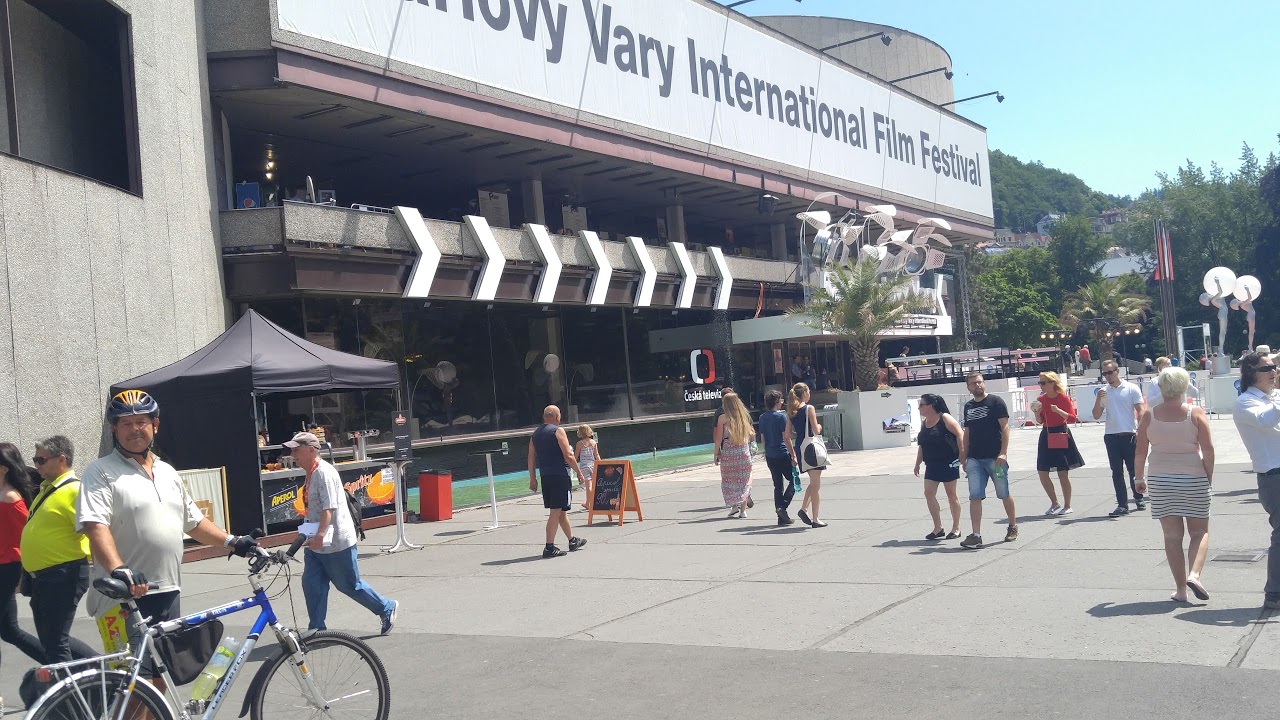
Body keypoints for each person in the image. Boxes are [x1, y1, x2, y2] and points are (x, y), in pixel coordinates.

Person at [78, 390, 259, 682]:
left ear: (155, 425)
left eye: (141, 422)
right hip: (122, 595)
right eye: (126, 423)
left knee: (162, 680)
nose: (134, 429)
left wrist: (232, 542)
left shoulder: (167, 472)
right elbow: (95, 525)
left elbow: (193, 522)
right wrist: (119, 569)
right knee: (132, 685)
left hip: (166, 590)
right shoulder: (100, 472)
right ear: (114, 429)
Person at [287, 432, 398, 635]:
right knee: (312, 585)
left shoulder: (324, 473)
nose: (293, 454)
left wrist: (320, 535)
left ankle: (386, 607)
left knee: (349, 585)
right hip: (317, 541)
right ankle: (317, 629)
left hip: (335, 542)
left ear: (311, 450)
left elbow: (329, 508)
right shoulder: (311, 472)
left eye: (296, 450)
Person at [1135, 367, 1215, 603]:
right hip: (1193, 477)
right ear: (1184, 386)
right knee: (1199, 532)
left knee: (1171, 536)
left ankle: (1180, 590)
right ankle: (1194, 575)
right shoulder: (1195, 413)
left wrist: (1139, 478)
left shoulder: (1149, 416)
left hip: (1161, 479)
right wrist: (1208, 476)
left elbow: (1140, 451)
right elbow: (1208, 450)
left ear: (1161, 387)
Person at [22, 436, 96, 666]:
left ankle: (71, 687)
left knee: (55, 642)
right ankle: (101, 670)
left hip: (64, 574)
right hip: (45, 577)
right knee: (51, 640)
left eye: (41, 460)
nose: (36, 465)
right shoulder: (48, 489)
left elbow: (96, 531)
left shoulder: (74, 490)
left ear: (61, 459)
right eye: (35, 460)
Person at [1232, 352, 1280, 609]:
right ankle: (1274, 594)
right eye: (1266, 368)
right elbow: (1266, 421)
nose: (1273, 371)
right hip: (1274, 476)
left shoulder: (1273, 397)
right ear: (1251, 373)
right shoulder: (1245, 402)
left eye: (1274, 367)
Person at [959, 373, 1017, 548]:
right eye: (973, 383)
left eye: (979, 382)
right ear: (968, 387)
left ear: (984, 383)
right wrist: (964, 455)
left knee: (1003, 493)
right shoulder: (968, 406)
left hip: (995, 458)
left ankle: (1012, 526)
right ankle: (976, 535)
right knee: (975, 496)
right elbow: (967, 432)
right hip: (975, 459)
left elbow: (1005, 427)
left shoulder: (995, 402)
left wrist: (1003, 452)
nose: (977, 385)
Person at [0, 443, 44, 671]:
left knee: (10, 630)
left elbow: (27, 535)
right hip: (4, 566)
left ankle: (60, 664)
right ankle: (59, 664)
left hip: (7, 568)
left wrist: (23, 572)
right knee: (9, 631)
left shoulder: (10, 498)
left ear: (4, 469)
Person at [528, 405, 587, 558]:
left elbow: (531, 457)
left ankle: (572, 540)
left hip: (546, 477)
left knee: (560, 510)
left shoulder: (535, 434)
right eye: (560, 414)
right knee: (556, 511)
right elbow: (568, 455)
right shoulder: (557, 431)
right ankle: (549, 547)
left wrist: (532, 478)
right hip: (560, 476)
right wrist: (579, 472)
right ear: (556, 416)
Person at [1092, 360, 1148, 517]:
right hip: (1111, 435)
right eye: (1105, 373)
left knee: (1133, 469)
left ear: (1117, 371)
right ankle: (1122, 505)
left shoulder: (1131, 388)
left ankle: (1138, 496)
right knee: (1116, 472)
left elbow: (1141, 409)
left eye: (1110, 372)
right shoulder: (1104, 391)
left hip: (1129, 433)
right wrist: (1098, 399)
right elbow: (1096, 415)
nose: (1107, 376)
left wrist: (1140, 429)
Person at [1031, 371, 1083, 516]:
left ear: (1052, 383)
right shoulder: (1041, 399)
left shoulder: (1063, 398)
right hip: (1046, 433)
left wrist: (1058, 410)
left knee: (1062, 472)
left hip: (1061, 432)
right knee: (1042, 471)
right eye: (1040, 383)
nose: (1041, 385)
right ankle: (1054, 503)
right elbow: (1040, 421)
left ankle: (1067, 505)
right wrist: (1036, 412)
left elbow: (1072, 418)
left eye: (1043, 383)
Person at [914, 394, 962, 541]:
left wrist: (963, 456)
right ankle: (938, 528)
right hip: (931, 464)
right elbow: (922, 445)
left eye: (921, 405)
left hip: (948, 462)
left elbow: (960, 434)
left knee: (951, 495)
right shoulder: (925, 422)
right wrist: (917, 462)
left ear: (931, 406)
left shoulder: (944, 418)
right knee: (928, 493)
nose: (919, 408)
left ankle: (956, 528)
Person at [789, 383, 827, 527]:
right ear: (804, 393)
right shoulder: (808, 408)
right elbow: (816, 430)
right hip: (811, 446)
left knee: (814, 481)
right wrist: (820, 426)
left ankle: (804, 509)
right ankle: (815, 518)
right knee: (816, 485)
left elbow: (787, 434)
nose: (809, 394)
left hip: (800, 446)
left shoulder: (791, 411)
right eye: (809, 391)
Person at [758, 390, 798, 526]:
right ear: (776, 401)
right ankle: (782, 507)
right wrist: (793, 454)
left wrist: (766, 452)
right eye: (781, 400)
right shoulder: (782, 417)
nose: (782, 402)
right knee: (794, 480)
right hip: (782, 453)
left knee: (778, 485)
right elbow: (786, 437)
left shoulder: (762, 417)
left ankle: (781, 516)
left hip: (770, 454)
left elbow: (763, 438)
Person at [714, 390, 754, 518]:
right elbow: (751, 433)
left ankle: (734, 506)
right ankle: (743, 510)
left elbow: (718, 439)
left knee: (729, 479)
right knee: (745, 479)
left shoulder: (722, 418)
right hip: (743, 451)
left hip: (728, 453)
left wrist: (716, 453)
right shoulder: (744, 417)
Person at [575, 424, 599, 509]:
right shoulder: (593, 442)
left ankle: (588, 503)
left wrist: (574, 466)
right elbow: (596, 455)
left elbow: (576, 456)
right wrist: (600, 464)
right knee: (594, 484)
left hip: (584, 466)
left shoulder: (579, 444)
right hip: (593, 465)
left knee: (588, 485)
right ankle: (595, 501)